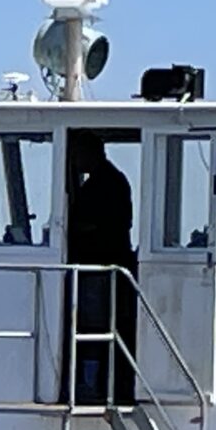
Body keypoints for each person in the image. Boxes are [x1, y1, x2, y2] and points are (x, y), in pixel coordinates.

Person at [64, 140, 137, 406]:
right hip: (103, 263)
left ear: (91, 153)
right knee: (96, 325)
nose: (75, 162)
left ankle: (91, 384)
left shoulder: (106, 183)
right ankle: (92, 382)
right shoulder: (110, 180)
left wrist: (77, 230)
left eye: (78, 155)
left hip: (100, 264)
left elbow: (111, 224)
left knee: (93, 324)